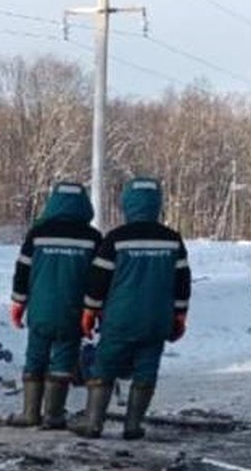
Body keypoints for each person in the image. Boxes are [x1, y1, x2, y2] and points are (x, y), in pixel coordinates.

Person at [69, 177, 190, 440]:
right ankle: (133, 425)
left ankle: (93, 423)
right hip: (157, 319)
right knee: (147, 368)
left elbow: (98, 280)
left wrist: (89, 311)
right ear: (157, 204)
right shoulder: (172, 240)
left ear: (128, 205)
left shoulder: (116, 239)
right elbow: (183, 282)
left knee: (105, 366)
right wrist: (180, 315)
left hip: (120, 317)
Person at [3, 182, 101, 429]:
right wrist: (96, 309)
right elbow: (98, 279)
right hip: (73, 312)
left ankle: (29, 413)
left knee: (35, 355)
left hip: (40, 310)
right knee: (64, 359)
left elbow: (22, 271)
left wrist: (18, 302)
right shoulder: (92, 238)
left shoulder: (37, 234)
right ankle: (54, 414)